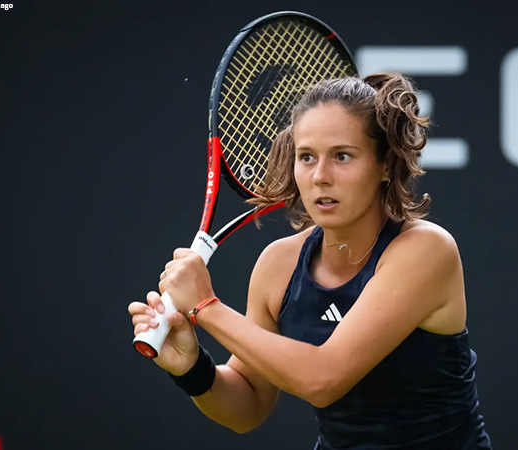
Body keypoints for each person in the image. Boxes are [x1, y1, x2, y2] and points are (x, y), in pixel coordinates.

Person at [128, 73, 492, 450]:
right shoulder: (278, 264)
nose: (320, 177)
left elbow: (323, 379)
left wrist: (205, 306)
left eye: (342, 156)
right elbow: (248, 406)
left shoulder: (426, 250)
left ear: (385, 165)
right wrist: (192, 369)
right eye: (307, 157)